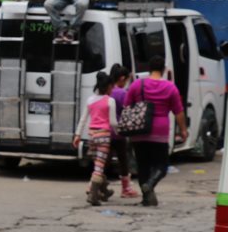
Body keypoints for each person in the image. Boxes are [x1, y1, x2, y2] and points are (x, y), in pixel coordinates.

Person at [125, 55, 188, 207]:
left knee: (143, 165)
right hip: (160, 131)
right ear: (164, 70)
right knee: (162, 165)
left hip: (139, 131)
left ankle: (147, 197)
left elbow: (127, 106)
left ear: (149, 68)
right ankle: (151, 184)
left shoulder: (137, 85)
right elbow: (178, 111)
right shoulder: (170, 87)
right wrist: (183, 130)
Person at [73, 72, 119, 206]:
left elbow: (83, 119)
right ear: (109, 86)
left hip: (92, 136)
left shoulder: (90, 100)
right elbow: (113, 122)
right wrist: (119, 132)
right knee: (99, 167)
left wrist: (77, 135)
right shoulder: (110, 101)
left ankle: (104, 190)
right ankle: (93, 194)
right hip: (104, 136)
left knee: (98, 164)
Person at [108, 64, 139, 199]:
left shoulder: (107, 91)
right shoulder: (122, 93)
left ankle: (95, 185)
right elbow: (128, 110)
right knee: (123, 160)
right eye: (126, 80)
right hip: (118, 132)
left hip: (104, 131)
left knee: (103, 160)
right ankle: (125, 188)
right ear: (122, 78)